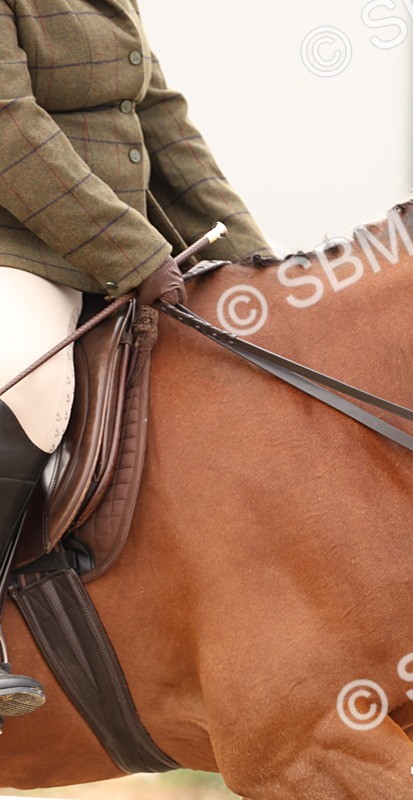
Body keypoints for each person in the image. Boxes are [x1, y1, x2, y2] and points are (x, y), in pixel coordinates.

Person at [0, 0, 271, 718]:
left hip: (117, 249)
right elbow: (8, 126)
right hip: (18, 250)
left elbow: (158, 116)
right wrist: (130, 251)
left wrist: (262, 268)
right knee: (26, 377)